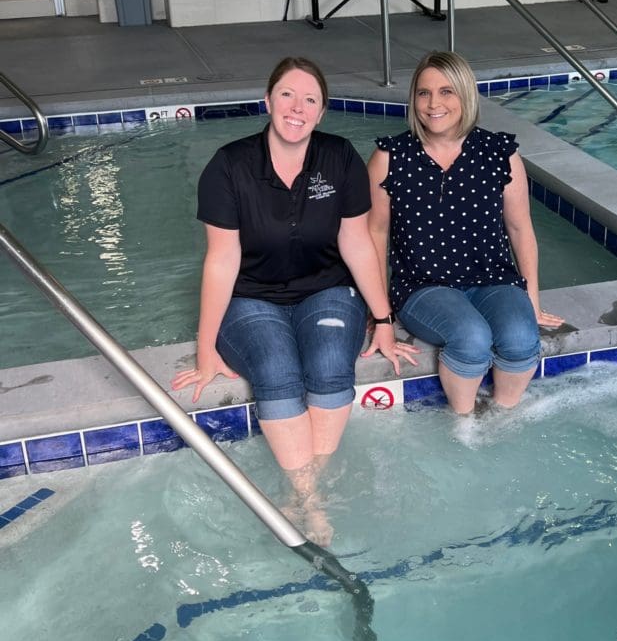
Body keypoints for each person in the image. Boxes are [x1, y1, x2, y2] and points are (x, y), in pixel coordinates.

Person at [172, 56, 417, 541]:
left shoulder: (340, 157)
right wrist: (206, 346)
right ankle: (312, 500)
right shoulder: (230, 166)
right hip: (250, 296)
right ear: (268, 101)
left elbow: (357, 242)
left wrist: (383, 319)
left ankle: (303, 496)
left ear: (322, 112)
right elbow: (221, 259)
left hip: (327, 289)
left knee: (328, 364)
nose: (297, 107)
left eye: (310, 99)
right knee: (277, 371)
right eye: (287, 95)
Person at [368, 50, 563, 418]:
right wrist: (380, 314)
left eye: (446, 92)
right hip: (422, 286)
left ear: (465, 96)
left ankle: (503, 418)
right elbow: (374, 235)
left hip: (493, 279)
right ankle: (464, 425)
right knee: (471, 338)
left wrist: (531, 299)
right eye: (423, 93)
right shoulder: (391, 156)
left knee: (521, 338)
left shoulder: (500, 153)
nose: (433, 104)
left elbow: (521, 230)